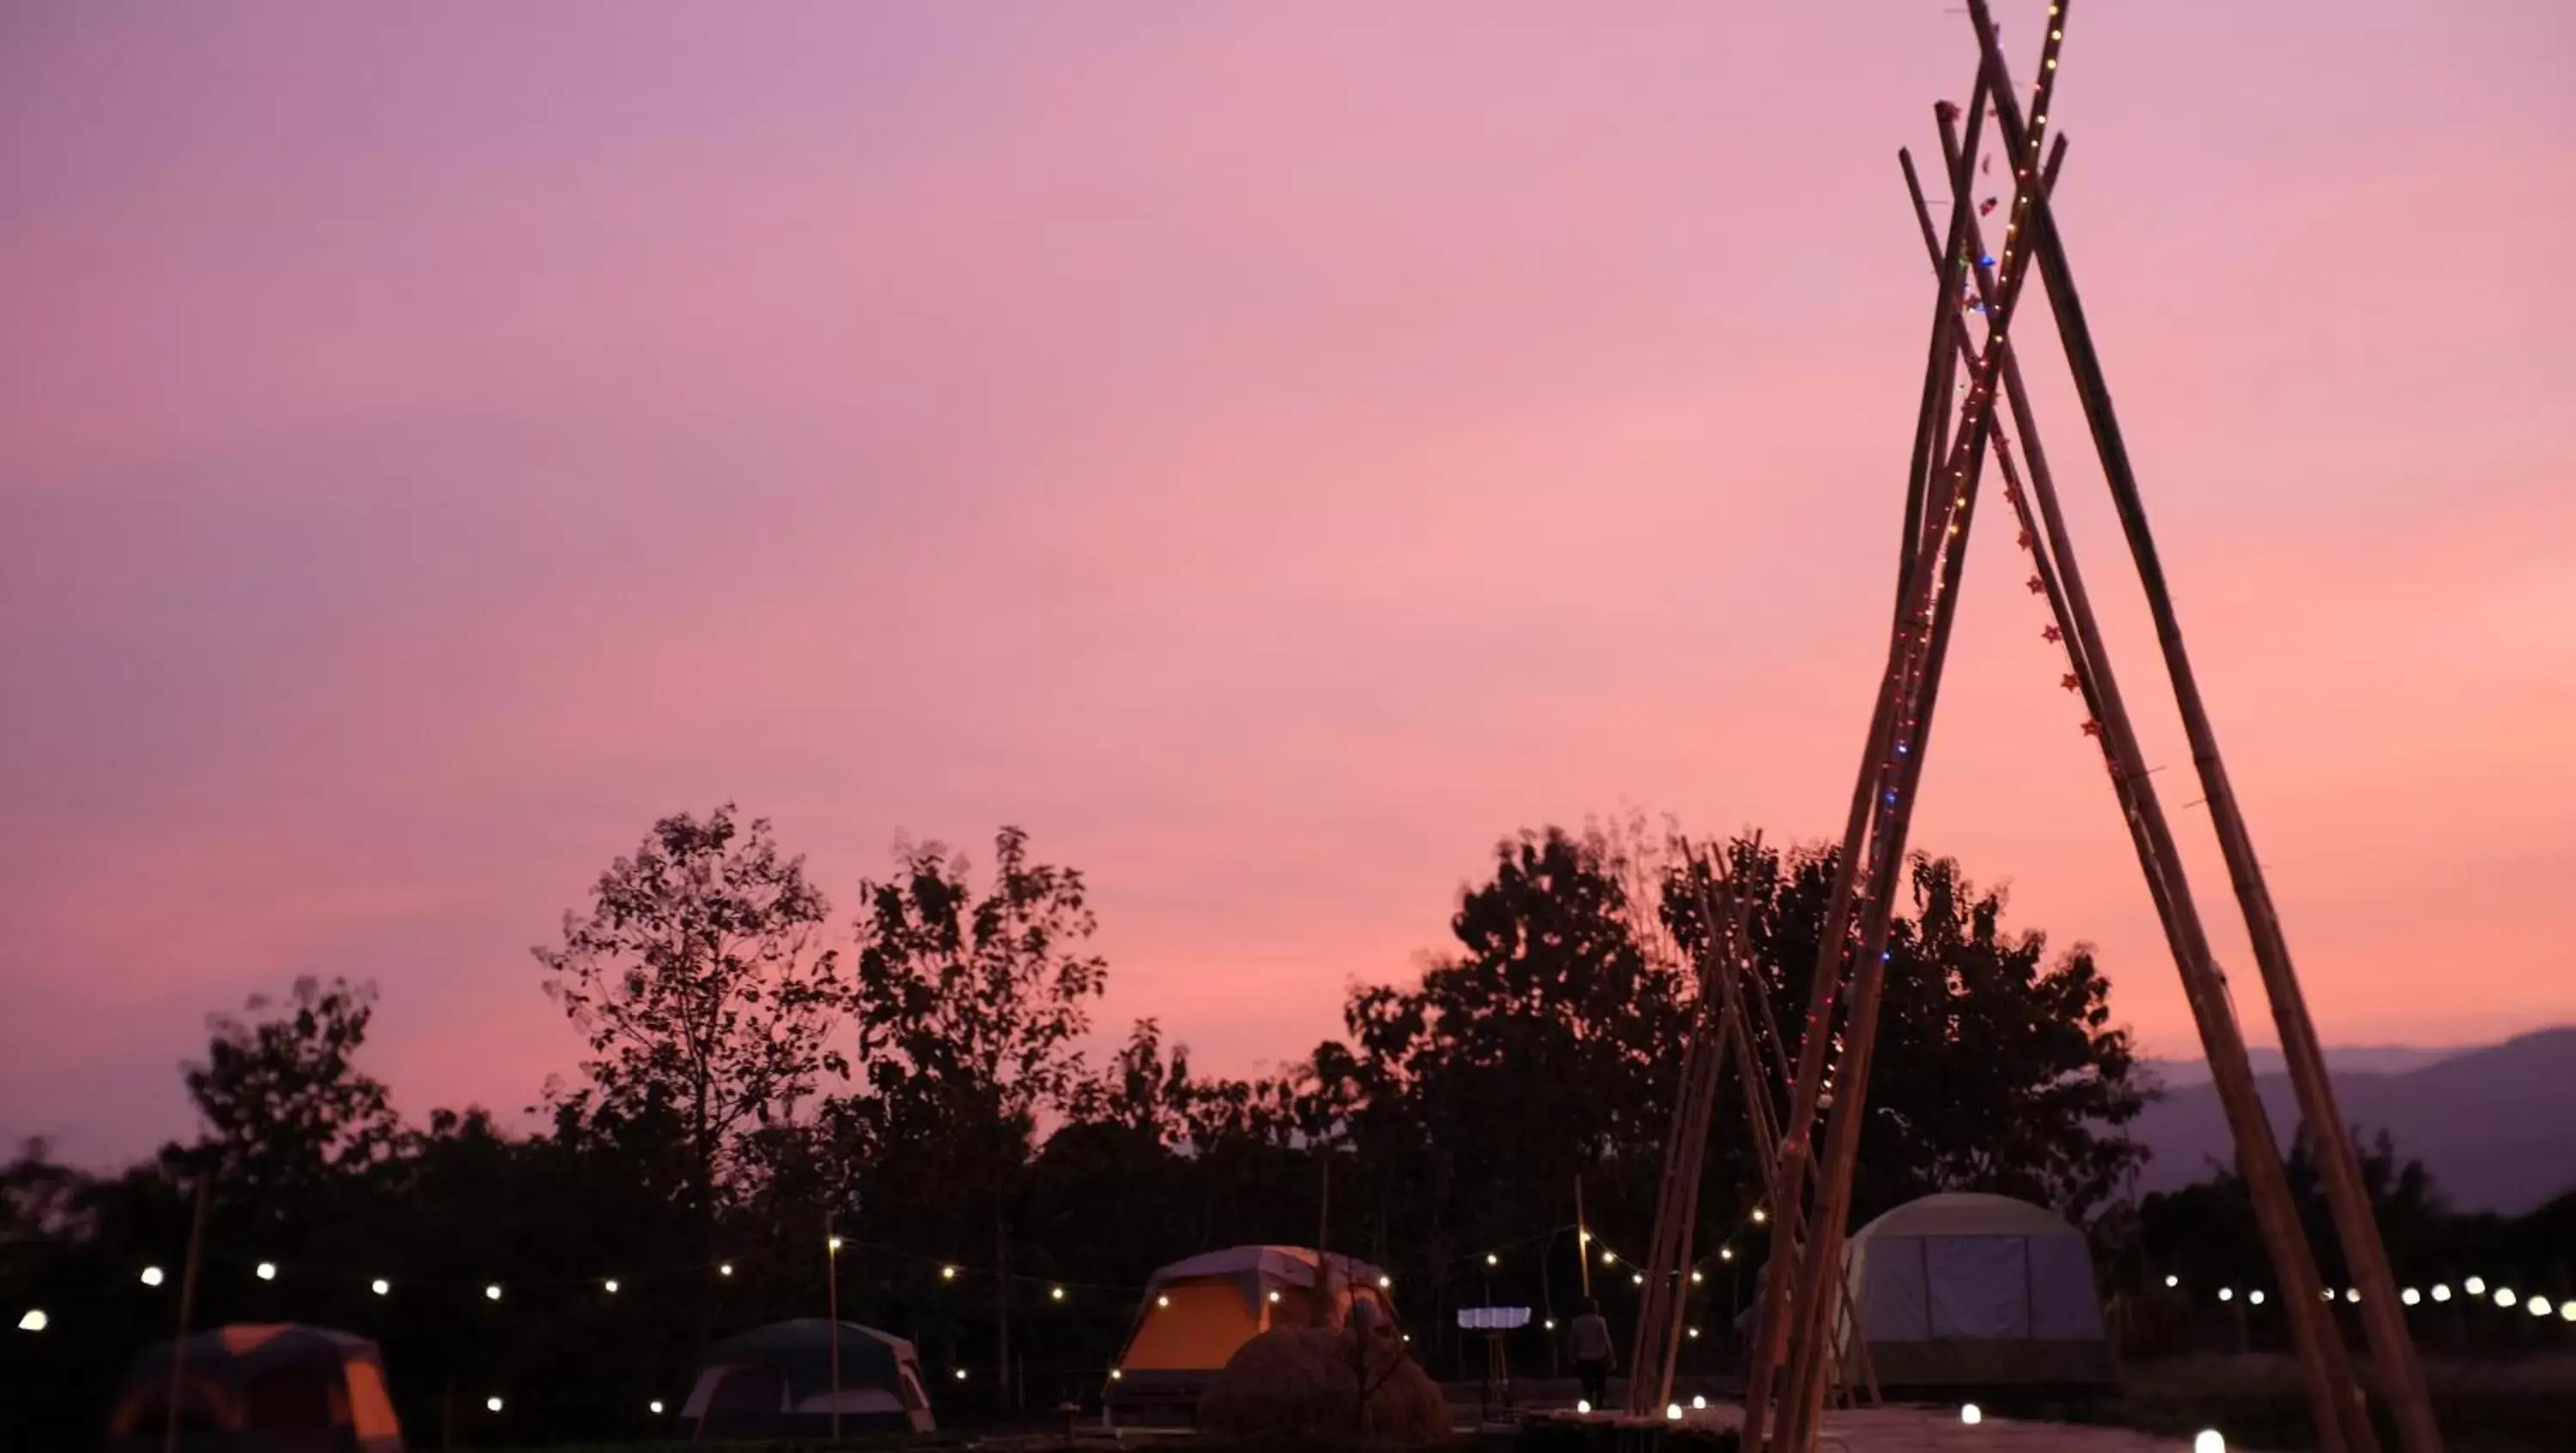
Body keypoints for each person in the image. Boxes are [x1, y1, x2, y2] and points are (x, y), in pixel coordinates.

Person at [1568, 1298, 1614, 1409]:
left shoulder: (1576, 1322)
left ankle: (1587, 1407)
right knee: (1600, 1386)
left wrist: (1572, 1356)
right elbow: (1606, 1339)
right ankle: (1599, 1407)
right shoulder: (1600, 1321)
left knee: (1587, 1386)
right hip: (1599, 1357)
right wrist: (1611, 1356)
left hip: (1583, 1358)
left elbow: (1573, 1340)